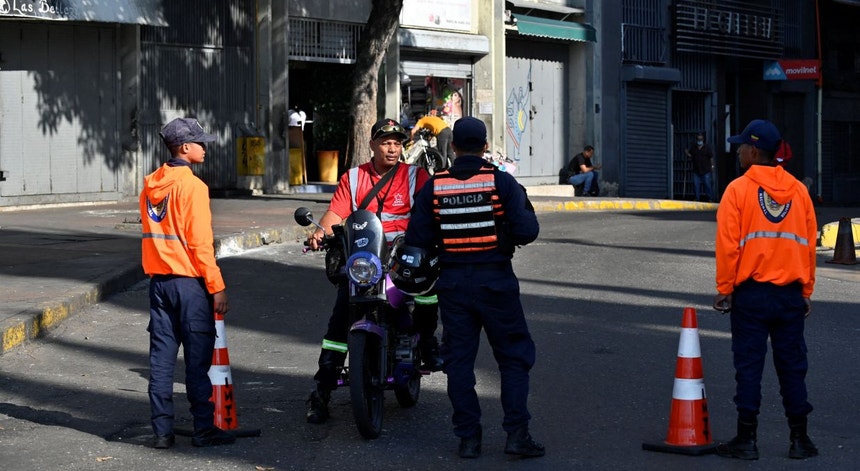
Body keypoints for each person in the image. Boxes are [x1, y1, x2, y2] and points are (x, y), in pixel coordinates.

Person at [405, 117, 544, 459]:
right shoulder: (501, 183)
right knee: (512, 358)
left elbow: (416, 239)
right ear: (484, 147)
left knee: (459, 362)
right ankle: (516, 435)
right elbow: (528, 231)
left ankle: (468, 439)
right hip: (495, 279)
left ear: (452, 147)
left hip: (452, 285)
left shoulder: (434, 186)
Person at [305, 118, 443, 424]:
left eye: (397, 143)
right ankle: (321, 392)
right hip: (364, 261)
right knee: (339, 325)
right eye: (385, 143)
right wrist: (318, 234)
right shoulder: (353, 178)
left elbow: (429, 211)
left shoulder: (415, 176)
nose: (392, 149)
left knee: (426, 292)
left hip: (402, 258)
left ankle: (428, 341)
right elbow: (335, 213)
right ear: (372, 145)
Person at [713, 119, 818, 461]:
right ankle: (800, 440)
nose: (738, 150)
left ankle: (747, 440)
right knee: (792, 366)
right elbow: (808, 246)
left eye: (742, 146)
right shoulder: (799, 192)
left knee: (749, 366)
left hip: (751, 294)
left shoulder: (737, 190)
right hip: (789, 294)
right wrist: (806, 290)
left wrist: (725, 287)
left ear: (754, 151)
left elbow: (729, 246)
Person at [140, 117, 236, 449]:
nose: (205, 147)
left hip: (159, 285)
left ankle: (162, 432)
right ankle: (203, 429)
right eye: (200, 142)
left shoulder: (151, 184)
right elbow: (199, 244)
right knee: (197, 363)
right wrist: (217, 286)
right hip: (190, 286)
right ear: (184, 147)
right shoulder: (192, 187)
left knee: (161, 362)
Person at [685, 132, 715, 202]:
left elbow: (711, 157)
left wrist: (712, 166)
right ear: (696, 139)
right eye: (698, 139)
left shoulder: (707, 148)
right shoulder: (693, 148)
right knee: (696, 185)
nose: (699, 141)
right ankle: (697, 198)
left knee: (707, 185)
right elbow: (691, 156)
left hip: (706, 170)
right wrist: (687, 153)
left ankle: (710, 199)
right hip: (696, 170)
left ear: (703, 140)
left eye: (701, 139)